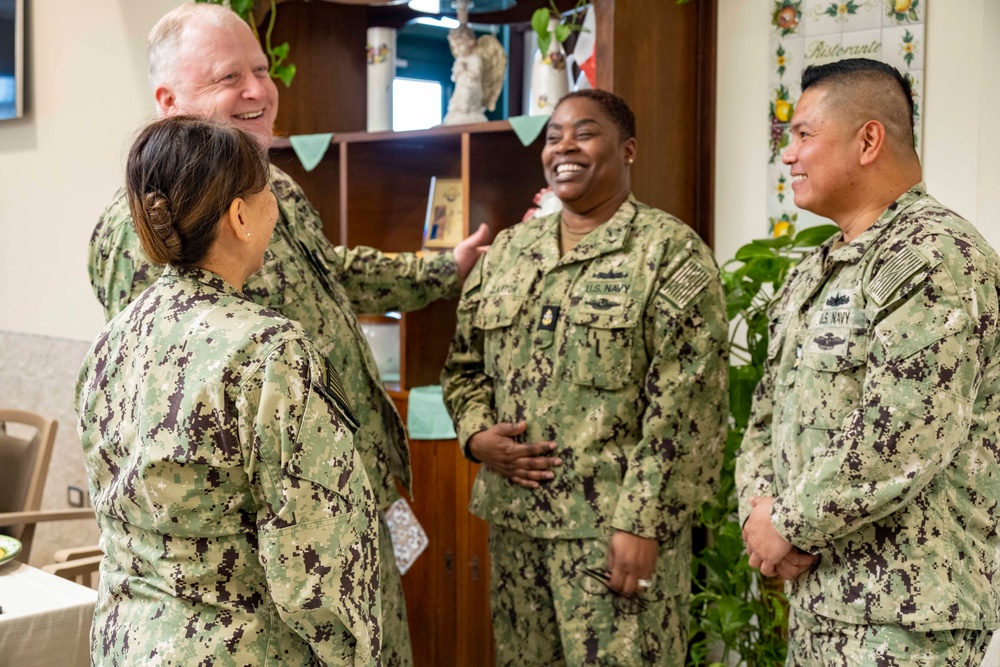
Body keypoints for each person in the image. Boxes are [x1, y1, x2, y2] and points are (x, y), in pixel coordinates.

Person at [87, 6, 487, 665]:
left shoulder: (277, 188)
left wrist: (444, 269)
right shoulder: (138, 236)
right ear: (170, 101)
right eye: (229, 77)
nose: (258, 90)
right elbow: (156, 433)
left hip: (335, 511)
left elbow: (332, 274)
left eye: (262, 70)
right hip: (258, 580)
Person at [77, 115, 381, 666]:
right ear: (240, 215)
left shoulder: (110, 341)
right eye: (268, 191)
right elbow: (318, 558)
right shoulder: (269, 351)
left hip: (126, 642)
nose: (276, 206)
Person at [441, 89, 729, 666]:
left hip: (614, 535)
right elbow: (463, 367)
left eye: (585, 132)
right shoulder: (508, 252)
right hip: (517, 527)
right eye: (553, 137)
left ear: (628, 151)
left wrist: (643, 523)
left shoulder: (669, 253)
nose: (564, 147)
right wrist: (476, 437)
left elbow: (687, 408)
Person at [737, 58, 1000, 665]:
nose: (789, 155)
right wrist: (760, 514)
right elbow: (764, 418)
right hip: (819, 601)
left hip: (904, 614)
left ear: (869, 139)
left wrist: (789, 526)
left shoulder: (936, 256)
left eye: (804, 135)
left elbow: (903, 434)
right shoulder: (814, 271)